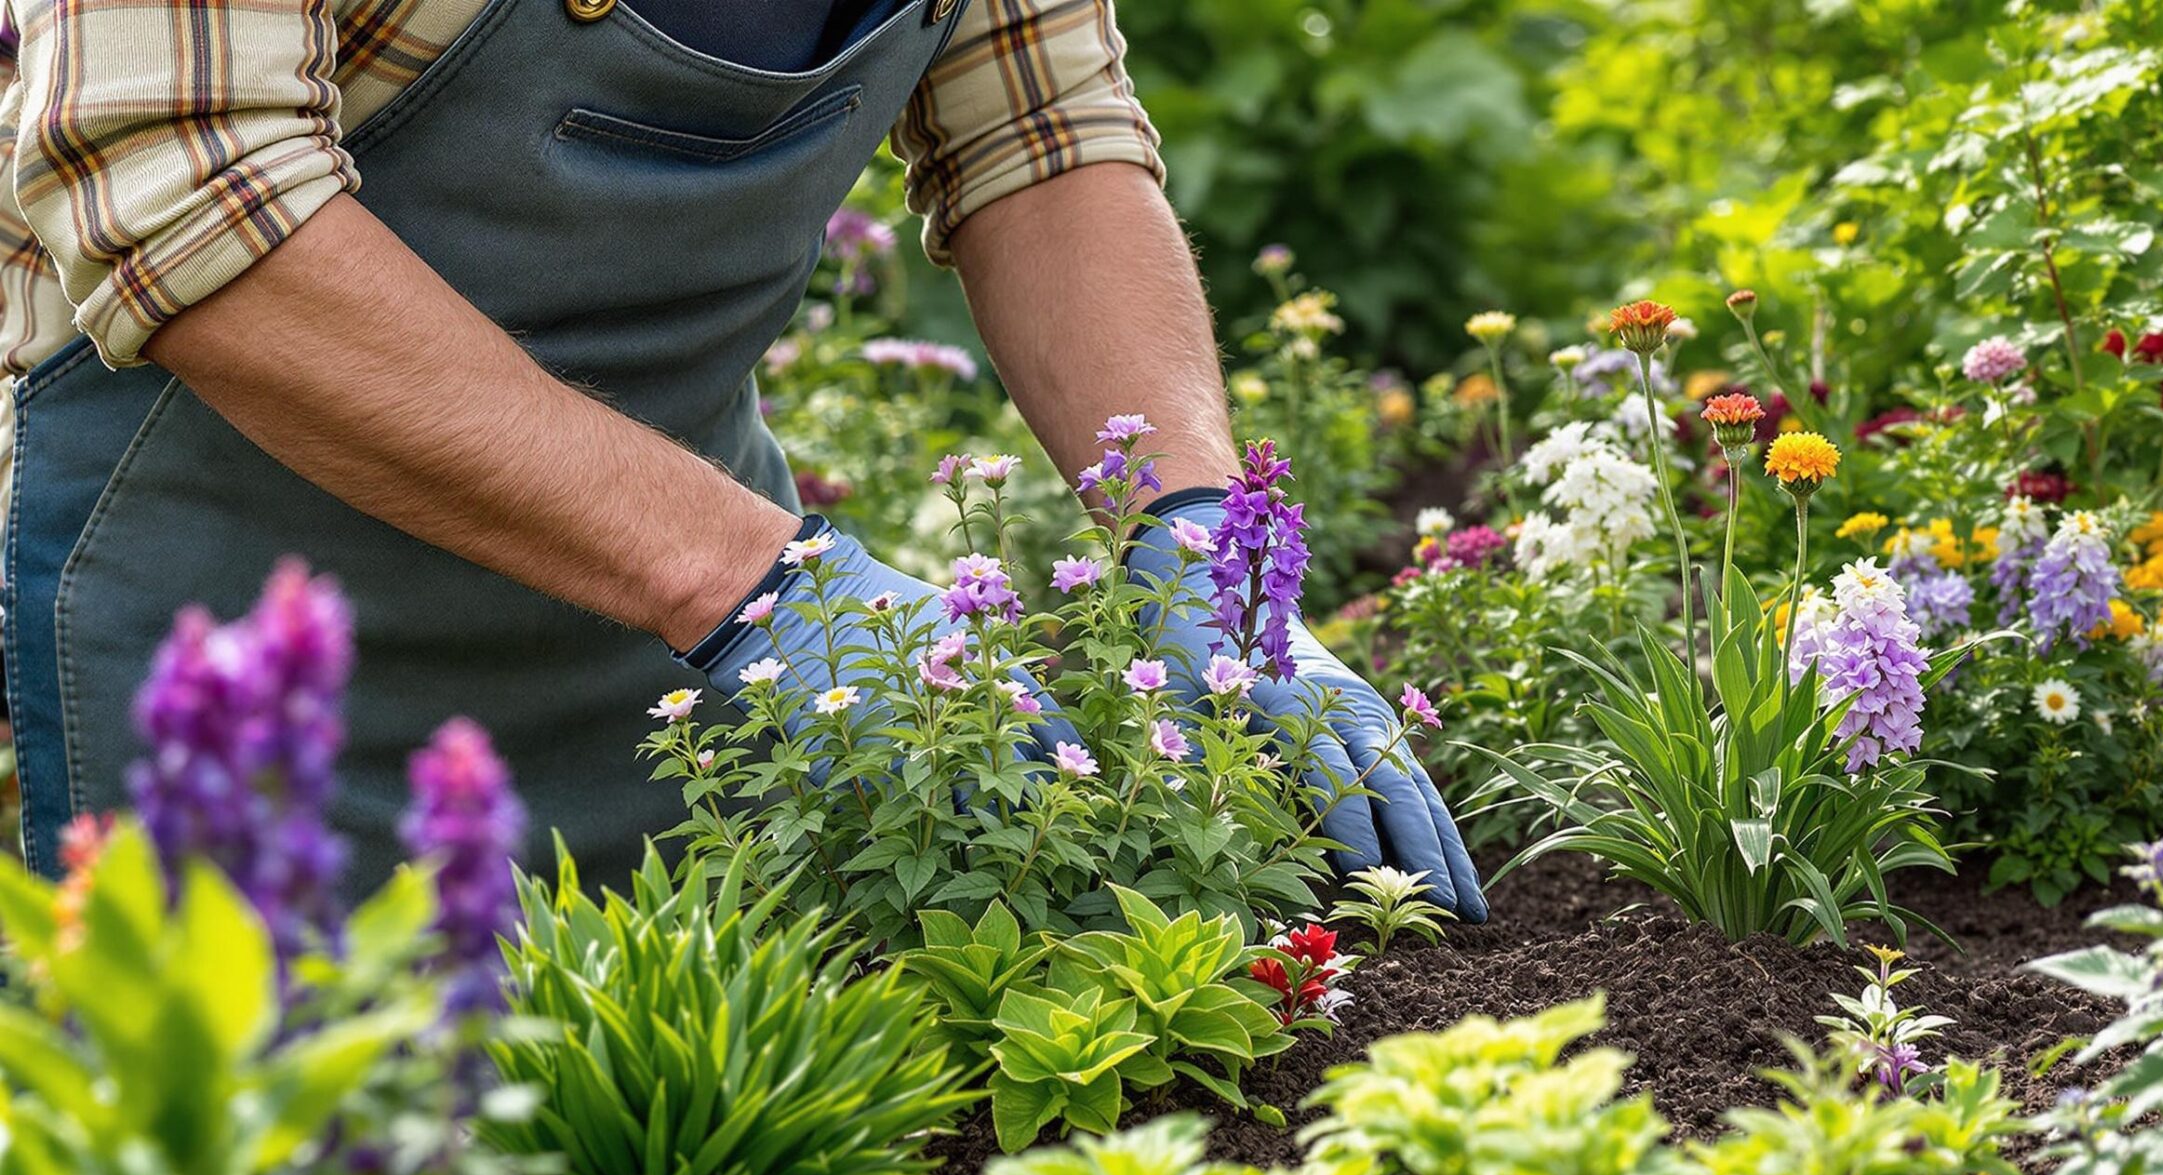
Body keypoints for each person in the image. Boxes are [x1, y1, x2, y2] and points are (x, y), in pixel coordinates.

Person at [0, 0, 1487, 920]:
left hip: (675, 681)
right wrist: (746, 580)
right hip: (219, 656)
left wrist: (1191, 518)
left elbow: (1040, 128)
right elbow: (179, 172)